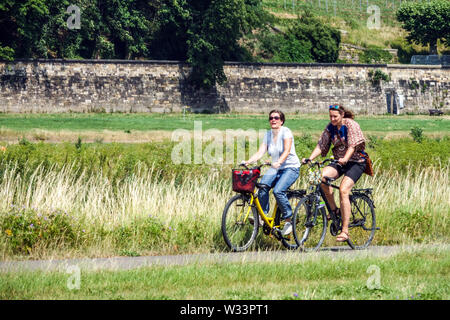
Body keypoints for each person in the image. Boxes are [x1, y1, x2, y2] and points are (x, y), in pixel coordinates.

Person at [302, 104, 366, 242]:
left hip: (356, 161)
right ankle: (334, 210)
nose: (332, 119)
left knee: (343, 190)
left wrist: (346, 159)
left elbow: (353, 145)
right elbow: (321, 145)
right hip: (339, 161)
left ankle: (345, 231)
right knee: (320, 177)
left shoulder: (351, 125)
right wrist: (310, 158)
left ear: (342, 115)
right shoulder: (330, 127)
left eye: (335, 116)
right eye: (330, 116)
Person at [243, 110, 300, 236]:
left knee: (278, 191)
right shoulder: (268, 134)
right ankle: (263, 217)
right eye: (271, 118)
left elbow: (287, 150)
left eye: (276, 117)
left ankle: (288, 221)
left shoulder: (286, 132)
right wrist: (248, 161)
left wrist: (279, 162)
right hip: (276, 168)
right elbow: (260, 152)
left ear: (281, 121)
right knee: (262, 186)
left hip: (290, 168)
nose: (273, 120)